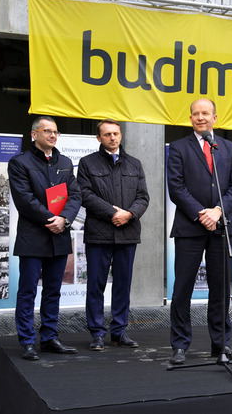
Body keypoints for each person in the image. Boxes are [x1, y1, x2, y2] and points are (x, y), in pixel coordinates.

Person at [167, 97, 232, 365]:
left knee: (220, 289)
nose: (200, 117)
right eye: (195, 114)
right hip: (190, 226)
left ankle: (221, 344)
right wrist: (203, 213)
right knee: (182, 288)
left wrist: (218, 212)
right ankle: (180, 345)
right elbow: (176, 187)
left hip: (221, 227)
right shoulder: (178, 148)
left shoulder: (228, 148)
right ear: (190, 118)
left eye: (205, 113)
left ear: (215, 118)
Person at [8, 116, 81, 361]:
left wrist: (65, 219)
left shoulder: (65, 163)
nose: (52, 135)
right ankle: (28, 341)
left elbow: (75, 195)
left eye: (55, 132)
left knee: (53, 291)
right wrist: (51, 219)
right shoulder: (20, 162)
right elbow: (24, 199)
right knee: (28, 291)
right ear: (34, 134)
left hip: (59, 236)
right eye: (47, 131)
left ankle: (49, 338)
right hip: (33, 236)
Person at [77, 119, 150, 351]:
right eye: (107, 134)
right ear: (99, 138)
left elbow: (143, 197)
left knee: (122, 285)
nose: (113, 137)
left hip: (127, 232)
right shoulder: (87, 163)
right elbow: (85, 194)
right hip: (99, 234)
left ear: (121, 135)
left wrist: (129, 214)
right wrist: (113, 213)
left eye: (116, 133)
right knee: (95, 285)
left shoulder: (134, 164)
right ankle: (97, 333)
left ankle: (119, 332)